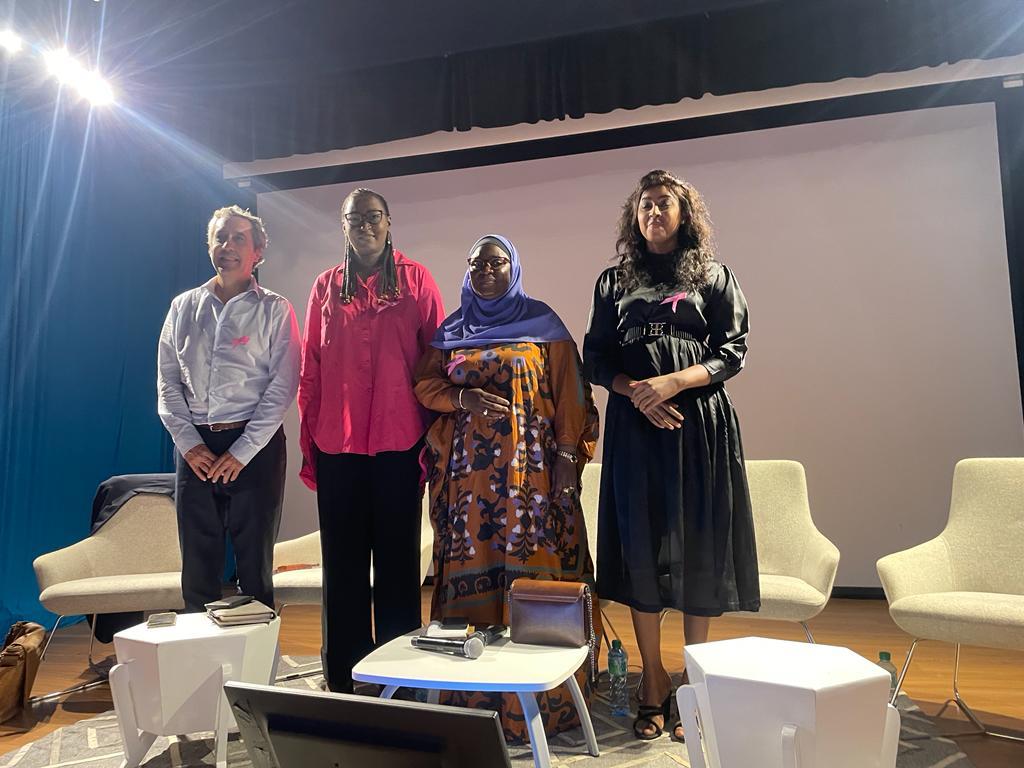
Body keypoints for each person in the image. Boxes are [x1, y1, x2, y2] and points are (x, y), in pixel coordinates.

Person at [583, 170, 759, 741]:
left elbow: (734, 350)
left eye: (664, 204)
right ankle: (652, 680)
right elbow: (596, 358)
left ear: (684, 214)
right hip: (635, 430)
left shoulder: (714, 276)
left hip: (699, 427)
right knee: (641, 545)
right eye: (645, 205)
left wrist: (674, 383)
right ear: (634, 217)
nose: (653, 213)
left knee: (699, 544)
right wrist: (638, 392)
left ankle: (694, 681)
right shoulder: (613, 282)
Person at [414, 234, 600, 743]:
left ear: (513, 267)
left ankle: (541, 705)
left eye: (496, 263)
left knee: (537, 580)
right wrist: (463, 398)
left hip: (531, 481)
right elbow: (425, 386)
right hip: (467, 488)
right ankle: (469, 701)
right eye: (477, 264)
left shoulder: (544, 325)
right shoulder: (452, 330)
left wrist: (567, 458)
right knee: (470, 582)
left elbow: (571, 395)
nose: (486, 271)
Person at [297, 188, 445, 693]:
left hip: (399, 443)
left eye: (373, 216)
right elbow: (311, 369)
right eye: (354, 218)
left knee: (398, 568)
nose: (364, 225)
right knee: (342, 569)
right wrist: (311, 443)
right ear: (343, 225)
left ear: (388, 221)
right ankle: (344, 681)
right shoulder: (324, 287)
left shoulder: (416, 279)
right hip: (337, 446)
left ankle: (397, 682)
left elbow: (436, 363)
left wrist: (433, 443)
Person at [158, 205, 300, 613]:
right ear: (210, 246)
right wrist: (189, 445)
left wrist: (241, 452)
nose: (228, 246)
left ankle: (256, 653)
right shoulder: (182, 307)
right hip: (195, 448)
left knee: (254, 568)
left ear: (258, 251)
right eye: (220, 237)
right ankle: (198, 652)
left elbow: (282, 386)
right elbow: (167, 381)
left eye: (239, 238)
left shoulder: (275, 309)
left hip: (255, 446)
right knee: (197, 570)